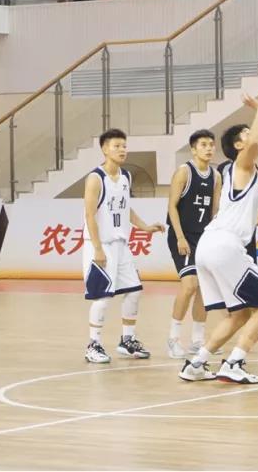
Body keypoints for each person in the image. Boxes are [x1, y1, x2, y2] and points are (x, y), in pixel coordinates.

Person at [179, 94, 258, 384]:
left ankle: (196, 364)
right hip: (224, 245)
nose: (252, 136)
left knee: (239, 314)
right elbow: (254, 142)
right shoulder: (241, 165)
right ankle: (234, 362)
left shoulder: (251, 173)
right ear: (239, 147)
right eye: (246, 134)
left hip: (210, 245)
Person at [82, 129, 165, 364]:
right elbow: (89, 215)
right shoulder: (95, 178)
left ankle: (127, 341)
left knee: (134, 290)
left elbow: (125, 208)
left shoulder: (126, 176)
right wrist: (98, 249)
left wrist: (145, 227)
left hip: (121, 244)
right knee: (102, 296)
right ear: (104, 149)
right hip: (101, 245)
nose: (122, 150)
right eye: (117, 146)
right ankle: (93, 345)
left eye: (124, 146)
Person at [166, 129, 221, 359]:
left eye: (211, 144)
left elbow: (215, 210)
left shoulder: (216, 176)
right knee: (189, 285)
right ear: (193, 149)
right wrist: (180, 237)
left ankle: (197, 341)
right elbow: (171, 206)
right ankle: (172, 339)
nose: (208, 148)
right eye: (203, 144)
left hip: (204, 237)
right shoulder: (184, 172)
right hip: (183, 235)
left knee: (204, 288)